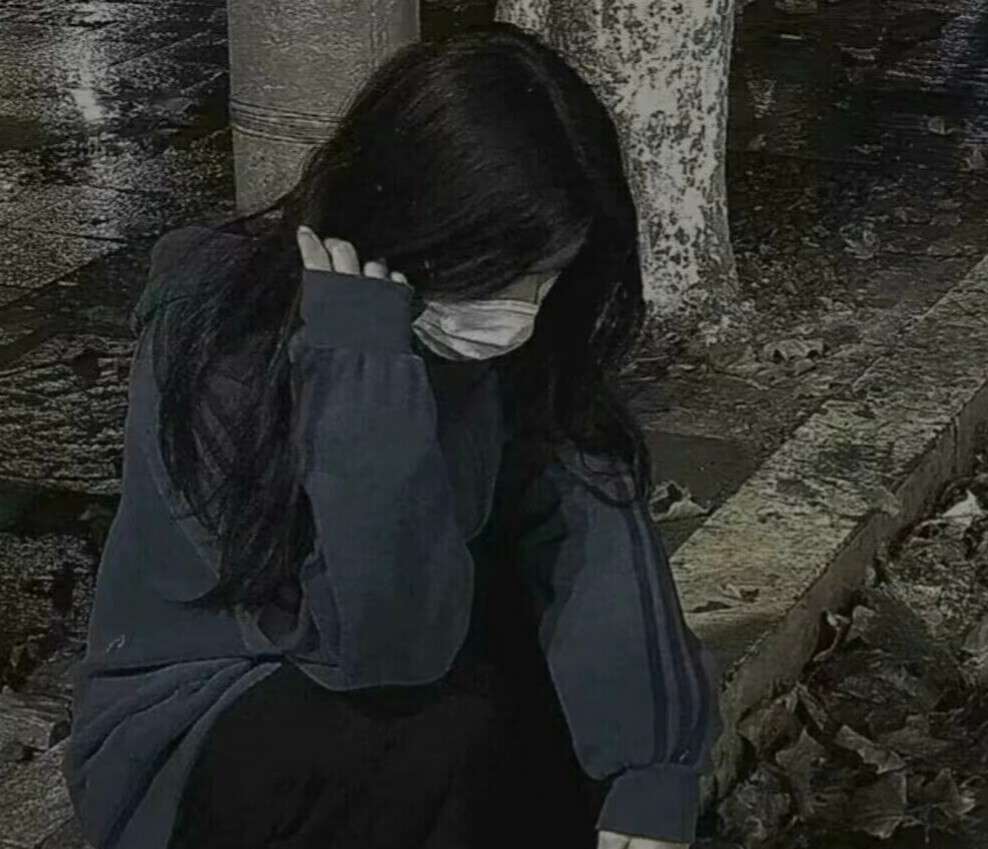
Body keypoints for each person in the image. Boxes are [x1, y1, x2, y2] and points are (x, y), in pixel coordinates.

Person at [62, 20, 723, 849]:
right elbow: (389, 646)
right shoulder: (221, 334)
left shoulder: (510, 346)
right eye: (498, 275)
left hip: (405, 665)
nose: (518, 312)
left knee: (553, 700)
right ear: (417, 222)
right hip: (202, 714)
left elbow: (594, 531)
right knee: (451, 734)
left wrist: (655, 772)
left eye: (546, 278)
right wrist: (363, 364)